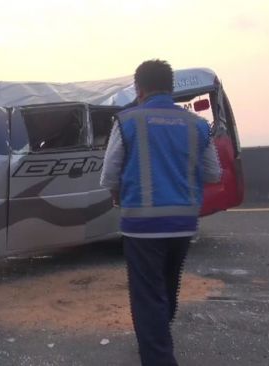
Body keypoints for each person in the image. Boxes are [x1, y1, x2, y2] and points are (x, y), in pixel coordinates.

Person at [100, 60, 222, 366]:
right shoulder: (197, 125)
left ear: (139, 88)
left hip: (142, 227)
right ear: (170, 88)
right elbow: (212, 173)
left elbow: (108, 175)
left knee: (147, 297)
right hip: (183, 223)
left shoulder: (127, 121)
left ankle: (158, 356)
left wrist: (120, 190)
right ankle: (157, 340)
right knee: (166, 288)